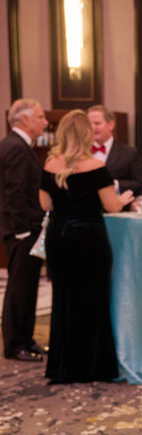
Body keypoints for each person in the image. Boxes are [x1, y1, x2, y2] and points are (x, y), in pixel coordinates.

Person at [39, 109, 133, 383]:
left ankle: (63, 367)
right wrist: (124, 198)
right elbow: (111, 206)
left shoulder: (50, 165)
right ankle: (94, 367)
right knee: (93, 301)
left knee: (64, 301)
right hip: (89, 239)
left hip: (60, 237)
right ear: (85, 134)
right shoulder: (95, 167)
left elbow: (45, 205)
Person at [0, 98, 48, 361]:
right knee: (19, 288)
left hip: (26, 229)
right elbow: (14, 193)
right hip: (23, 231)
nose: (45, 122)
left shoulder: (18, 145)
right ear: (25, 119)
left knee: (27, 287)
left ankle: (25, 340)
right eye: (40, 117)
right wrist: (21, 231)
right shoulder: (16, 147)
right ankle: (15, 344)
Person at [87, 104, 142, 198]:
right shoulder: (81, 152)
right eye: (89, 124)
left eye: (97, 123)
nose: (92, 128)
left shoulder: (129, 153)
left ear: (111, 125)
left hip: (118, 210)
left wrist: (116, 185)